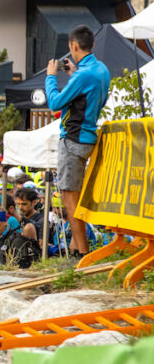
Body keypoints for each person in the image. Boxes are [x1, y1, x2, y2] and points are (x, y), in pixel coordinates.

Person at [46, 24, 110, 258]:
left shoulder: (83, 75)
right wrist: (73, 75)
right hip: (88, 135)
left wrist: (51, 77)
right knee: (77, 195)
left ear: (73, 46)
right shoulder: (101, 69)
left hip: (73, 139)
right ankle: (75, 245)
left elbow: (54, 103)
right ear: (92, 45)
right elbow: (92, 98)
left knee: (69, 197)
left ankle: (83, 252)